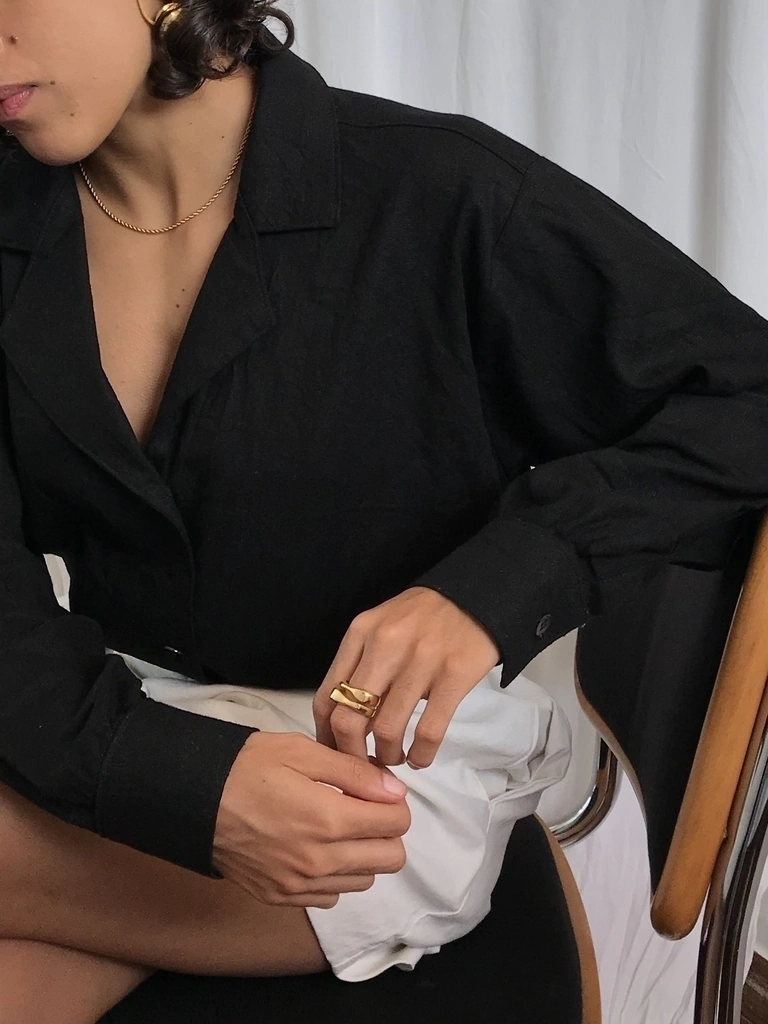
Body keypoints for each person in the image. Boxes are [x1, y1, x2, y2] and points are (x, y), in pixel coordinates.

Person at [1, 0, 768, 1018]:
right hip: (103, 727)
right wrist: (178, 778)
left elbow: (746, 394)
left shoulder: (440, 194)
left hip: (374, 788)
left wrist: (497, 584)